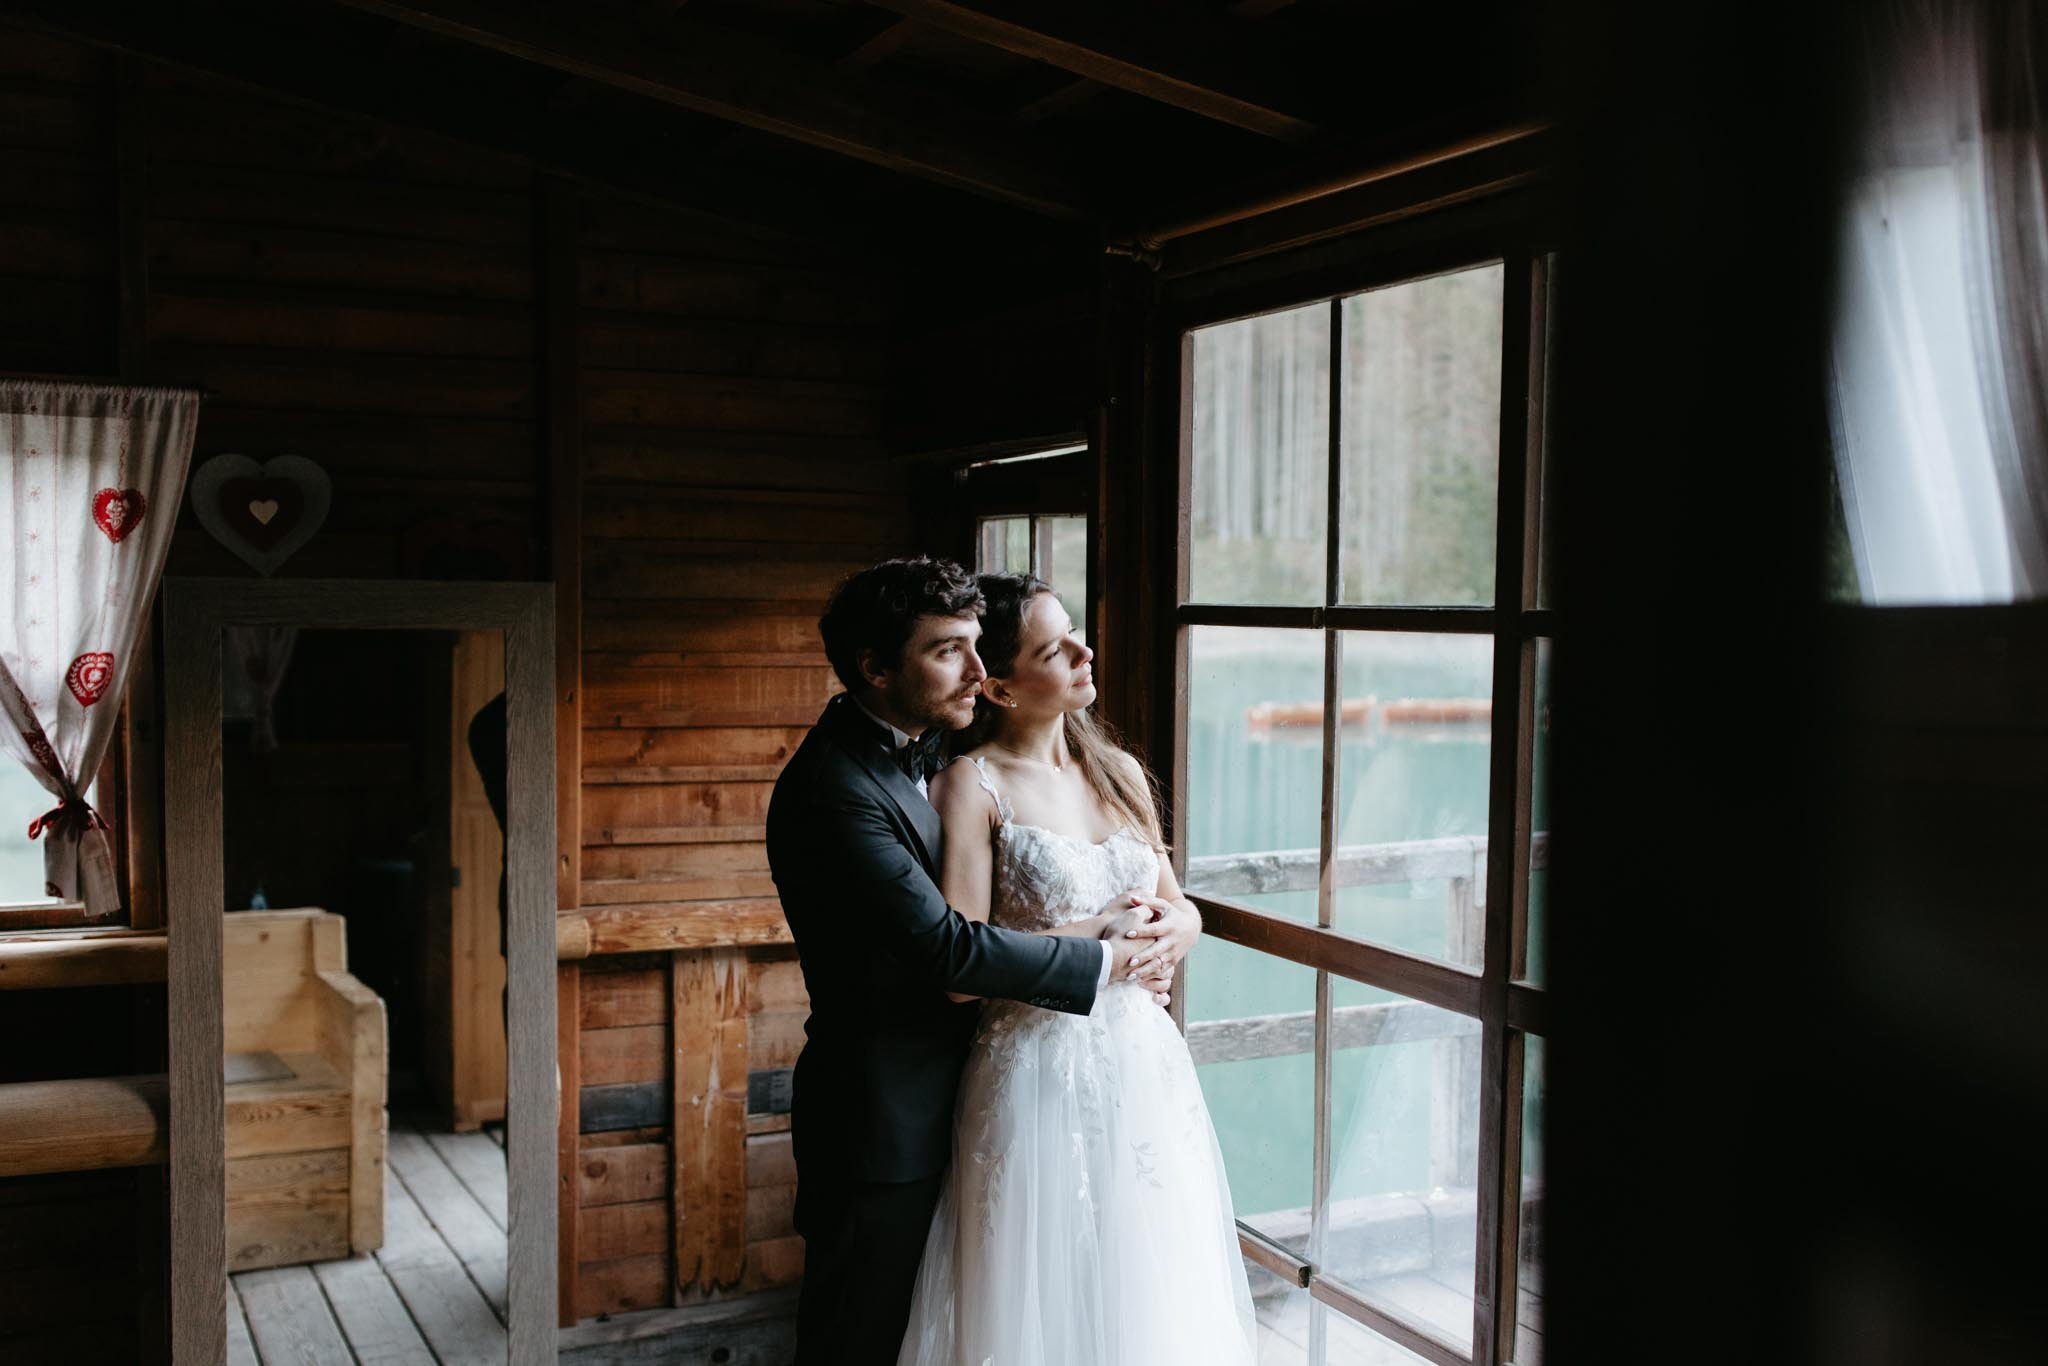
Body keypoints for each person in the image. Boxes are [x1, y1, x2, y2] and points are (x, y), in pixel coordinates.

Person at [765, 558, 1195, 1366]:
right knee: (860, 1339)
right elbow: (948, 947)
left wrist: (1181, 921)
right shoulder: (836, 787)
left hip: (989, 1088)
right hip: (885, 1118)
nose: (974, 669)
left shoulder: (918, 750)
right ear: (875, 668)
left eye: (977, 647)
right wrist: (1107, 953)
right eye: (947, 651)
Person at [896, 571, 1257, 1366]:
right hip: (1035, 1065)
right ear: (997, 684)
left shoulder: (1119, 774)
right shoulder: (973, 785)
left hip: (1144, 1062)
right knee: (1043, 1281)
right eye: (1055, 648)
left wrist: (1186, 924)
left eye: (1075, 636)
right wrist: (1109, 941)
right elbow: (964, 960)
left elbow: (1172, 902)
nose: (1085, 651)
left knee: (1151, 1269)